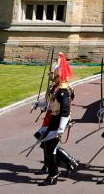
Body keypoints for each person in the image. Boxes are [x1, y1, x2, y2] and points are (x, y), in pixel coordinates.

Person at [34, 54, 79, 186]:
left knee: (49, 146)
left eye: (53, 73)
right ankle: (54, 173)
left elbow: (65, 110)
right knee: (48, 146)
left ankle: (55, 173)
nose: (50, 75)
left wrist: (60, 128)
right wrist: (39, 105)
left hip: (60, 121)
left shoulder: (63, 91)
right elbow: (51, 105)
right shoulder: (57, 89)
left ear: (58, 75)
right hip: (54, 119)